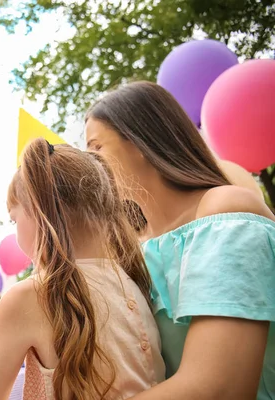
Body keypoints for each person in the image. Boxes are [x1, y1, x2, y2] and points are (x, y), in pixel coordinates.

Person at [84, 81, 275, 399]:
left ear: (140, 141)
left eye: (96, 148)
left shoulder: (225, 211)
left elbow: (220, 388)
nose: (89, 165)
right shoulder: (137, 247)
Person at [0, 138, 165, 400]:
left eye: (14, 219)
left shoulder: (30, 296)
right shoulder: (135, 280)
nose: (14, 229)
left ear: (39, 212)